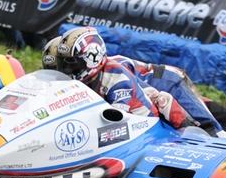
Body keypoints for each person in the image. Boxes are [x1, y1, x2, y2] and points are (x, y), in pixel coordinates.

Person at [42, 39, 226, 157]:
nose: (64, 72)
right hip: (159, 90)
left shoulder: (113, 76)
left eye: (66, 66)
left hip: (172, 85)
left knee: (220, 132)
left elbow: (140, 107)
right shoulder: (94, 73)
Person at [52, 28, 197, 129]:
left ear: (92, 58)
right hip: (126, 126)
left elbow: (114, 121)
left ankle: (201, 136)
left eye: (72, 64)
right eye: (62, 64)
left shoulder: (116, 75)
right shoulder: (84, 80)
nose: (66, 70)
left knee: (165, 100)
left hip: (144, 127)